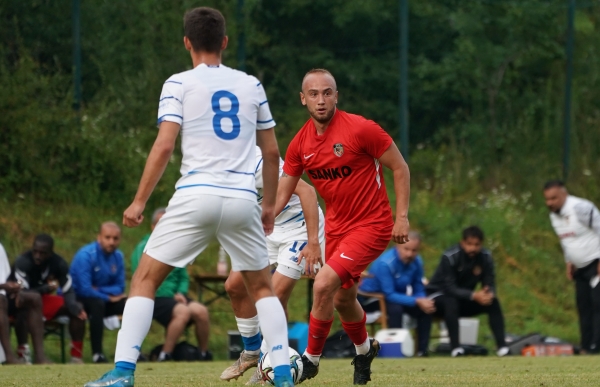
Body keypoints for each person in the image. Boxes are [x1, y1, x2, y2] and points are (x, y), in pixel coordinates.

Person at [85, 7, 294, 387]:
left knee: (145, 279)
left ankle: (122, 373)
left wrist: (139, 202)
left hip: (196, 195)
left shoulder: (178, 83)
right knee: (262, 287)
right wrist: (267, 207)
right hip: (241, 197)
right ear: (225, 43)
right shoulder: (251, 85)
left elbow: (165, 146)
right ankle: (281, 374)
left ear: (187, 43)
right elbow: (272, 153)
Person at [276, 69, 410, 385]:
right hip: (336, 229)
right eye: (313, 94)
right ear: (302, 99)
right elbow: (285, 188)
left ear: (337, 96)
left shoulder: (361, 129)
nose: (320, 100)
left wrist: (402, 217)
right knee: (342, 300)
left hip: (372, 225)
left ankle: (309, 360)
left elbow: (400, 167)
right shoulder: (300, 144)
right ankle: (364, 351)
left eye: (327, 93)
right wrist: (262, 218)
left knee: (322, 285)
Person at [220, 146, 325, 384]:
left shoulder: (258, 165)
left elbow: (307, 192)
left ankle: (267, 364)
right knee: (234, 286)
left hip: (298, 230)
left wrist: (313, 243)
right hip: (266, 231)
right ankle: (252, 351)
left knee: (275, 298)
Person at [131, 208, 212, 361]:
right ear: (153, 226)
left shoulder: (176, 246)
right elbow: (141, 278)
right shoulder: (143, 247)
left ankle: (203, 354)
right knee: (182, 312)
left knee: (201, 311)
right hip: (155, 296)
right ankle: (165, 354)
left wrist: (181, 293)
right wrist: (172, 296)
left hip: (175, 297)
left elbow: (183, 277)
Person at [426, 226, 509, 357]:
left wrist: (488, 292)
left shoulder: (485, 257)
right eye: (469, 244)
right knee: (451, 301)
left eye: (477, 245)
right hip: (437, 297)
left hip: (463, 299)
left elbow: (490, 280)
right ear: (462, 243)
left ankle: (502, 348)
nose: (473, 248)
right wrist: (474, 295)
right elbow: (449, 288)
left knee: (493, 302)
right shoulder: (450, 256)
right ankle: (456, 349)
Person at [544, 180, 600, 353]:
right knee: (583, 306)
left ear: (564, 195)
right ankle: (586, 346)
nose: (550, 203)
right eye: (547, 199)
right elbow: (566, 240)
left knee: (597, 304)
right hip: (579, 268)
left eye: (554, 198)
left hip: (595, 263)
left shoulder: (581, 208)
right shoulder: (553, 215)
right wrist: (568, 261)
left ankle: (596, 347)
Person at [13, 234, 87, 364]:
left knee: (77, 310)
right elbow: (22, 294)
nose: (37, 256)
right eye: (35, 251)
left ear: (51, 253)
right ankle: (23, 353)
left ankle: (76, 357)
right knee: (22, 310)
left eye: (42, 253)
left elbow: (68, 289)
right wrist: (45, 288)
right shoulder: (23, 261)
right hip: (22, 303)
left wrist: (73, 306)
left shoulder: (58, 263)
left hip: (43, 301)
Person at [358, 232, 434, 356]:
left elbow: (418, 286)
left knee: (425, 310)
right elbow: (389, 294)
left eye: (414, 250)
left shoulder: (417, 262)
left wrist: (423, 300)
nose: (410, 254)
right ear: (397, 246)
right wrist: (417, 301)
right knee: (395, 309)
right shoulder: (385, 263)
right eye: (406, 249)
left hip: (396, 296)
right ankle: (396, 351)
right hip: (372, 298)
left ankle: (422, 352)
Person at [71, 222, 127, 363]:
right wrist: (108, 297)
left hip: (102, 297)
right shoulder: (86, 255)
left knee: (131, 304)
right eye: (107, 237)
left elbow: (120, 287)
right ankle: (97, 354)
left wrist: (102, 291)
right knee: (98, 304)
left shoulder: (118, 256)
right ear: (99, 237)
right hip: (78, 298)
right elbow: (85, 289)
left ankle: (130, 352)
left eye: (115, 238)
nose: (111, 242)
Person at [0, 241, 50, 364]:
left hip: (3, 293)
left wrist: (15, 289)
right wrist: (4, 286)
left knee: (33, 298)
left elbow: (4, 278)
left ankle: (40, 357)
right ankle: (9, 357)